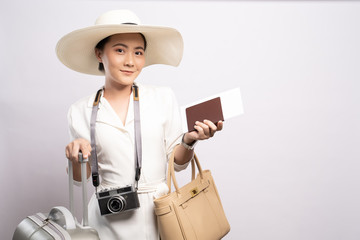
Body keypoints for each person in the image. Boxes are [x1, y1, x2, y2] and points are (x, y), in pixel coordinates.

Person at [56, 9, 223, 239]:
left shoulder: (163, 97)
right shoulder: (80, 110)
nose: (130, 61)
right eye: (120, 50)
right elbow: (81, 179)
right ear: (99, 53)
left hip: (160, 216)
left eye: (138, 52)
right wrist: (76, 158)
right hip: (106, 221)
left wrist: (189, 140)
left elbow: (177, 164)